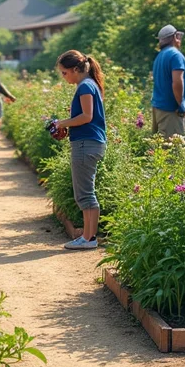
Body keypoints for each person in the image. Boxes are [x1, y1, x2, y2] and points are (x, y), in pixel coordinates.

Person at [54, 50, 107, 251]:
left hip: (86, 144)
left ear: (76, 69)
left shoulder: (85, 86)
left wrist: (62, 123)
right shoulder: (88, 84)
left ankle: (88, 238)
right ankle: (88, 236)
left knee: (85, 194)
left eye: (65, 72)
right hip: (90, 142)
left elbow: (87, 116)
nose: (63, 76)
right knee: (86, 193)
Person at [151, 24, 185, 138]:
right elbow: (177, 82)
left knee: (159, 150)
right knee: (173, 151)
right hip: (170, 110)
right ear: (174, 37)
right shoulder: (175, 55)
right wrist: (181, 105)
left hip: (158, 108)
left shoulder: (159, 56)